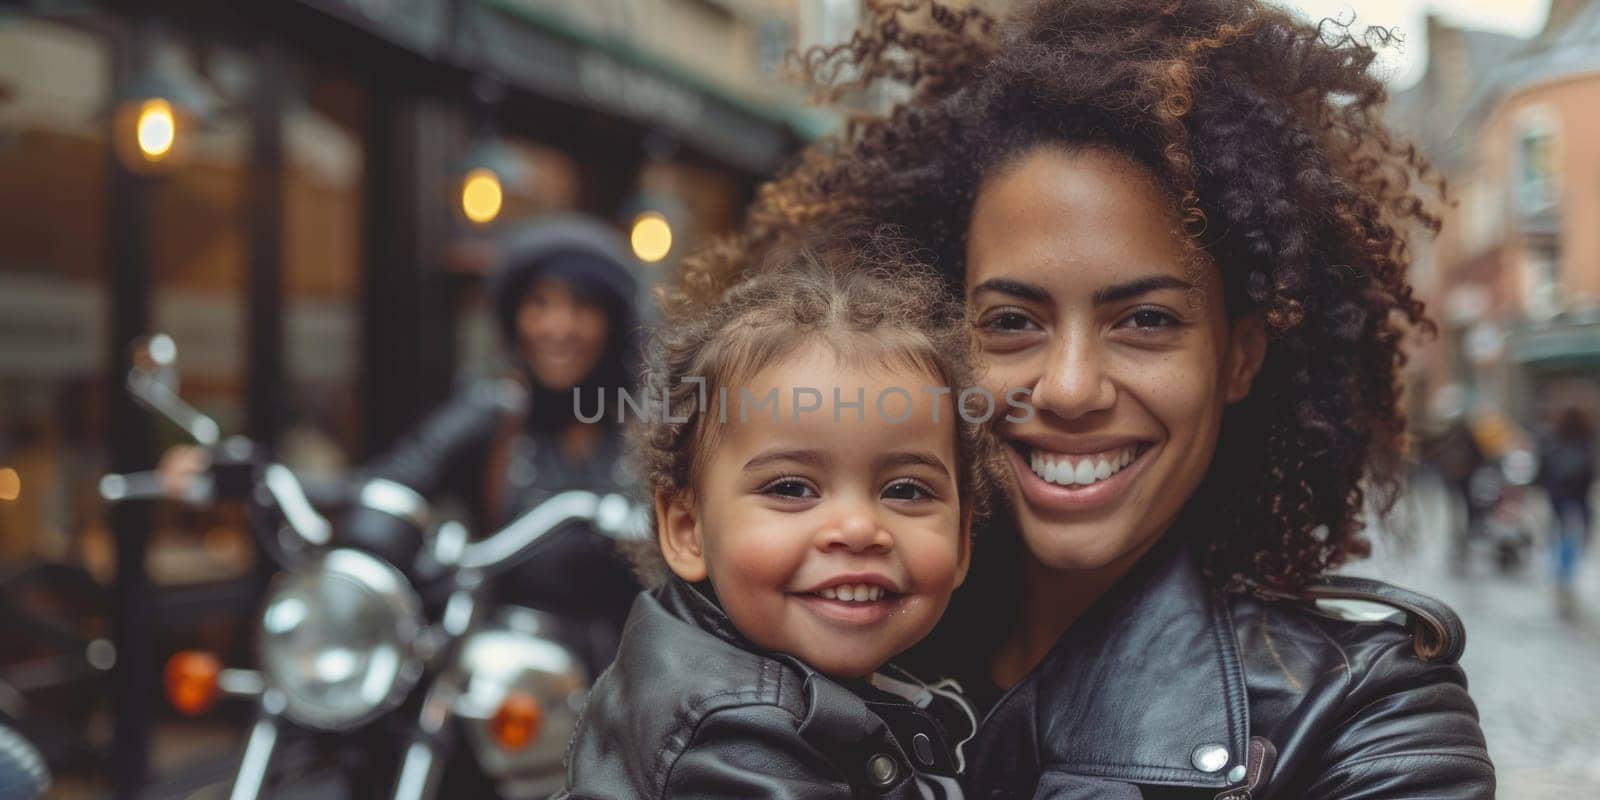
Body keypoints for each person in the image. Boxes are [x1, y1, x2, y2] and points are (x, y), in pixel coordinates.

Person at [683, 0, 1495, 796]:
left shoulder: (1363, 713)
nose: (1069, 388)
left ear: (1239, 357)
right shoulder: (780, 622)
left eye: (1144, 320)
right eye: (1010, 321)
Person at [559, 235, 1010, 799]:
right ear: (687, 529)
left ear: (964, 538)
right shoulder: (729, 738)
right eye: (793, 488)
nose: (857, 529)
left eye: (906, 490)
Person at [158, 214, 645, 674]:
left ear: (613, 318)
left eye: (581, 307)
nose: (557, 327)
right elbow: (391, 479)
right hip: (508, 671)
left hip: (633, 670)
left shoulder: (648, 423)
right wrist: (253, 476)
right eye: (539, 304)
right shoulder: (499, 414)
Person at [1538, 405, 1594, 618]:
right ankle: (1564, 571)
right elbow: (1589, 471)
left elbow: (1543, 466)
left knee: (1560, 531)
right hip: (1577, 496)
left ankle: (1558, 569)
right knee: (1571, 534)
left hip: (1557, 494)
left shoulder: (1553, 436)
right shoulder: (1585, 439)